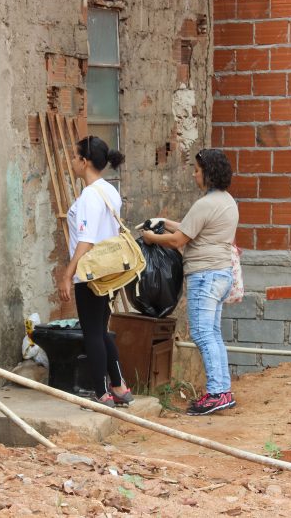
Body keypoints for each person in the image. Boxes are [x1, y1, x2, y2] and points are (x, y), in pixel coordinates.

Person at [140, 149, 239, 416]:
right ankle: (223, 391)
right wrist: (164, 222)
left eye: (197, 170)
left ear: (208, 173)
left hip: (205, 276)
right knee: (213, 334)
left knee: (203, 334)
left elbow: (178, 240)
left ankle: (216, 393)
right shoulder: (227, 201)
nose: (194, 175)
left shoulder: (205, 204)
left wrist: (151, 238)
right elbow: (189, 227)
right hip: (221, 274)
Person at [58, 136, 134, 408]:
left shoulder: (90, 195)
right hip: (109, 271)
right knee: (100, 331)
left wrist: (68, 274)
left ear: (85, 161)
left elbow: (86, 241)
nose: (72, 161)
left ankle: (102, 393)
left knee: (92, 333)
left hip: (90, 273)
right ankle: (119, 386)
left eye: (74, 156)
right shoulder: (109, 190)